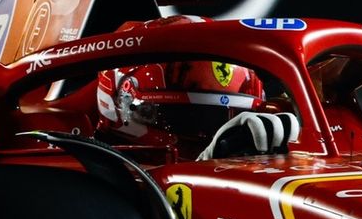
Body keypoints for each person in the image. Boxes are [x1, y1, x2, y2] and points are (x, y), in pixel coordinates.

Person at [95, 59, 300, 160]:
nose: (211, 134)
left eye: (231, 117)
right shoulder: (81, 177)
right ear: (125, 102)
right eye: (194, 118)